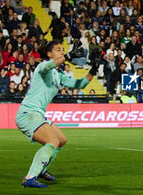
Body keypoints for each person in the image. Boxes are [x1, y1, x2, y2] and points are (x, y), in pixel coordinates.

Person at [16, 40, 99, 188]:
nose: (61, 52)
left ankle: (42, 169)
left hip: (37, 114)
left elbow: (79, 84)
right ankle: (30, 177)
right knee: (52, 141)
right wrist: (68, 55)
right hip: (28, 113)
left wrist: (93, 70)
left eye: (63, 49)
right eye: (58, 50)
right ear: (49, 54)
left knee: (61, 140)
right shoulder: (43, 67)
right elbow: (49, 65)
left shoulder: (59, 74)